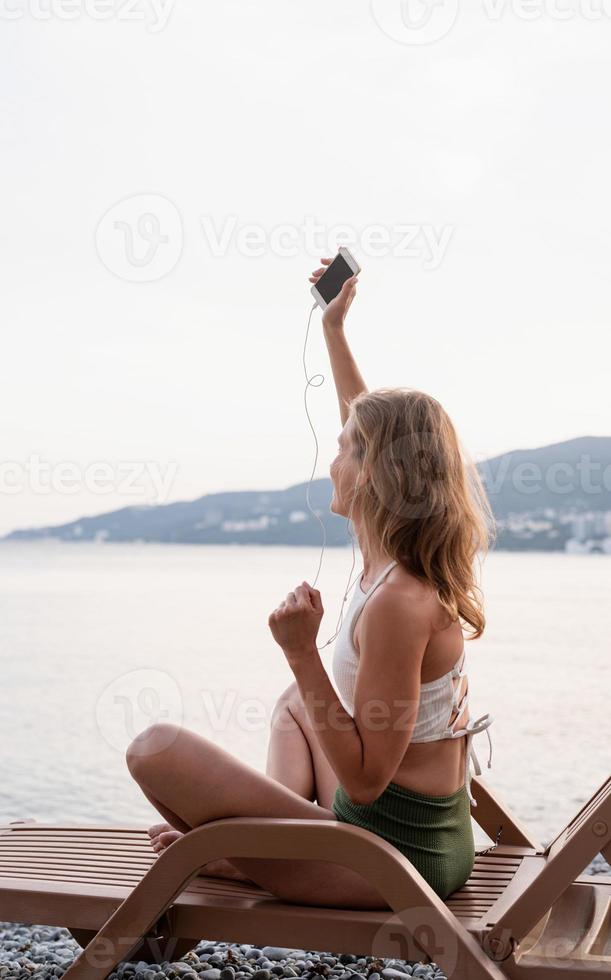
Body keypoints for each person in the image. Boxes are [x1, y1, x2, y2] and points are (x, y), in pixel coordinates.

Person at [126, 258, 496, 909]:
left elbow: (365, 779)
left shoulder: (397, 604)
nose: (330, 461)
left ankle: (259, 856)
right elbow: (365, 414)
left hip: (392, 862)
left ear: (374, 475)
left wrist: (300, 650)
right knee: (296, 706)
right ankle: (263, 853)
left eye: (344, 449)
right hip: (392, 835)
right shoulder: (387, 558)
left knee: (154, 749)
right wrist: (333, 327)